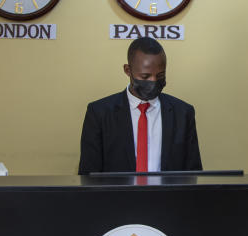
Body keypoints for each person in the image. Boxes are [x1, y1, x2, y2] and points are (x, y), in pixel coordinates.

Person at [78, 37, 201, 174]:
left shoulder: (183, 113)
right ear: (127, 70)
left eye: (160, 75)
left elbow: (193, 173)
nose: (153, 81)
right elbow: (88, 174)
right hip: (116, 196)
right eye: (145, 76)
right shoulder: (99, 113)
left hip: (168, 195)